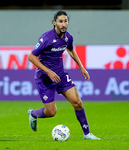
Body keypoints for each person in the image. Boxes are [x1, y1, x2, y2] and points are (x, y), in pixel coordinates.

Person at [27, 10, 100, 140]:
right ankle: (33, 114)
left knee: (77, 102)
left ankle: (87, 134)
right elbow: (31, 57)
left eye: (65, 21)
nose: (63, 24)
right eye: (60, 21)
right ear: (54, 23)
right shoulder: (46, 38)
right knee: (51, 112)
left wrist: (81, 67)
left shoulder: (68, 37)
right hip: (45, 78)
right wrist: (48, 72)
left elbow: (71, 50)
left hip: (60, 76)